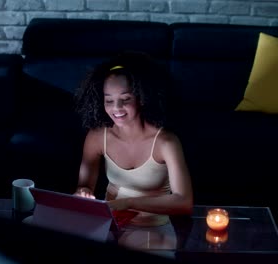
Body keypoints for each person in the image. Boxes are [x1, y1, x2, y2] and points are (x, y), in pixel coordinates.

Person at [73, 50, 193, 233]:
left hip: (156, 231)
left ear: (142, 98)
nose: (116, 108)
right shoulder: (97, 137)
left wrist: (127, 203)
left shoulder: (166, 142)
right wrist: (82, 192)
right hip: (112, 227)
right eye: (109, 101)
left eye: (125, 99)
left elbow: (183, 202)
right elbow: (84, 185)